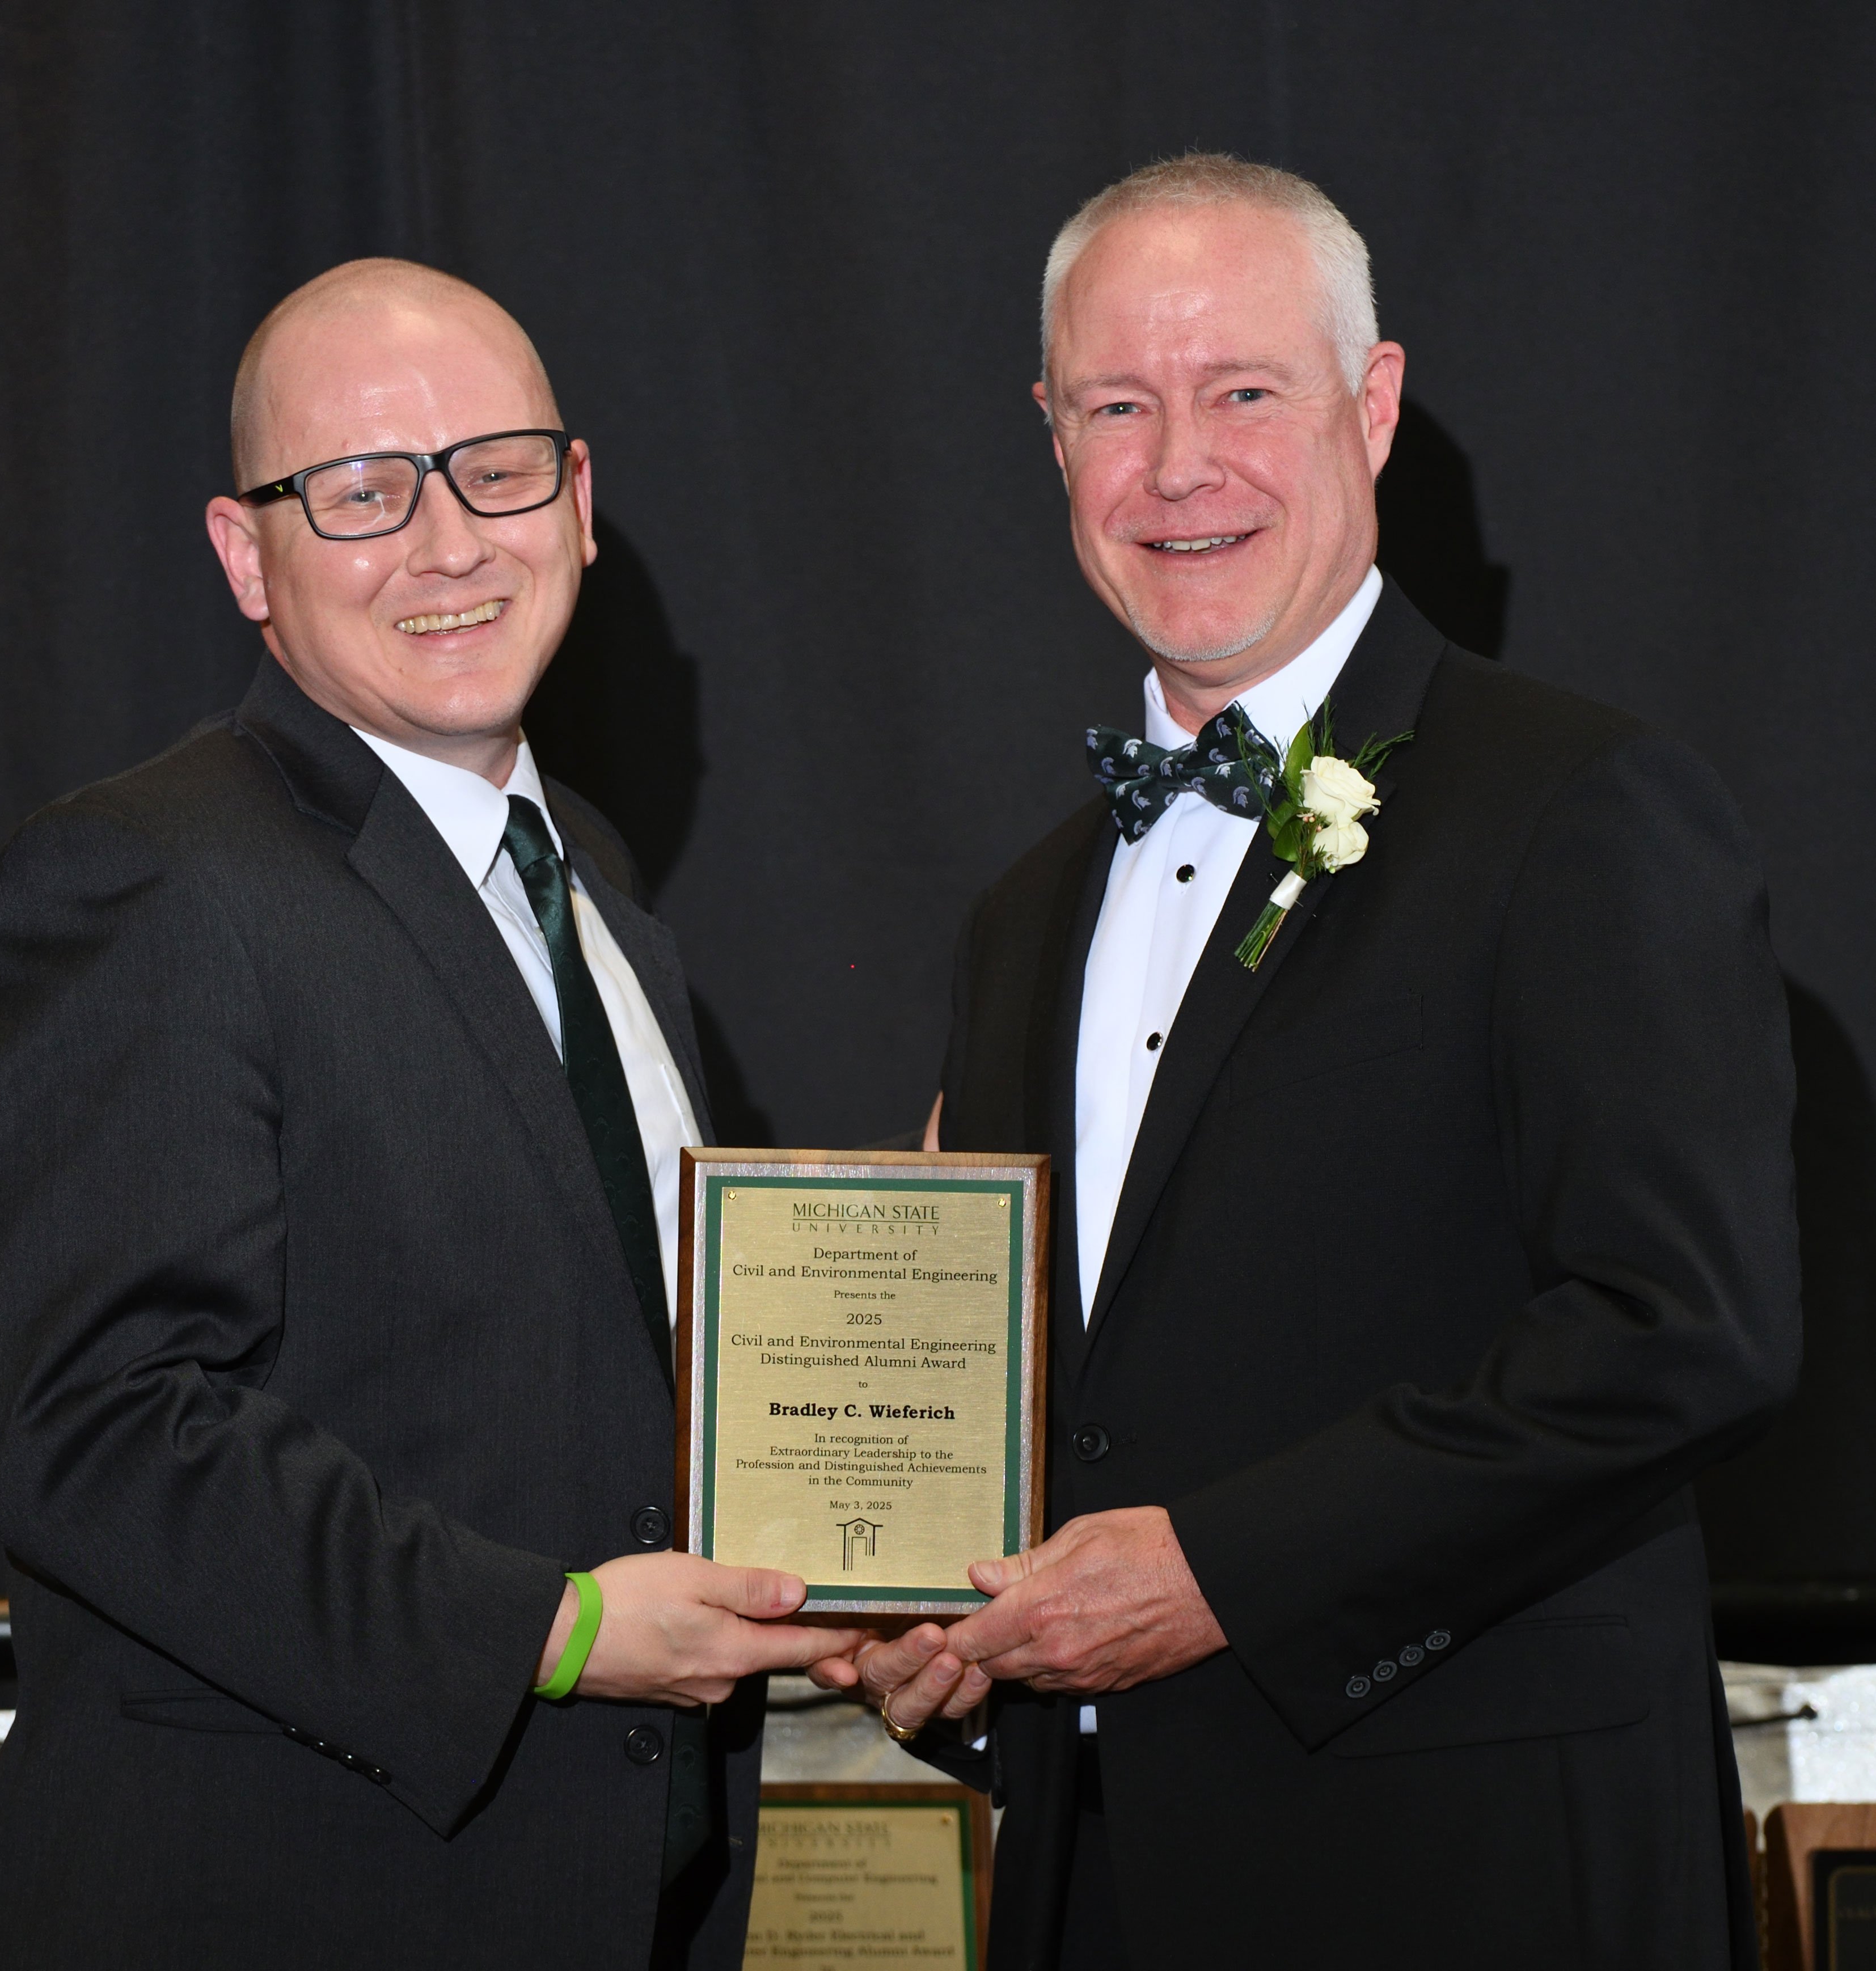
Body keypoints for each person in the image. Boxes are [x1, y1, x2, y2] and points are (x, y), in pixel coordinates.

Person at [815, 154, 1800, 1968]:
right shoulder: (1023, 914)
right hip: (1096, 1878)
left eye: (1241, 391)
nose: (1177, 464)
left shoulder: (1577, 807)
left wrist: (1217, 1570)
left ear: (1374, 402)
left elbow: (1685, 1329)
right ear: (1049, 435)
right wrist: (935, 1619)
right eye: (1117, 404)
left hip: (1474, 1866)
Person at [0, 259, 859, 1970]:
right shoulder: (150, 873)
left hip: (609, 1898)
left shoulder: (596, 890)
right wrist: (561, 1631)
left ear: (579, 503)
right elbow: (100, 1428)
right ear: (246, 555)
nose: (448, 544)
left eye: (497, 468)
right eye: (360, 492)